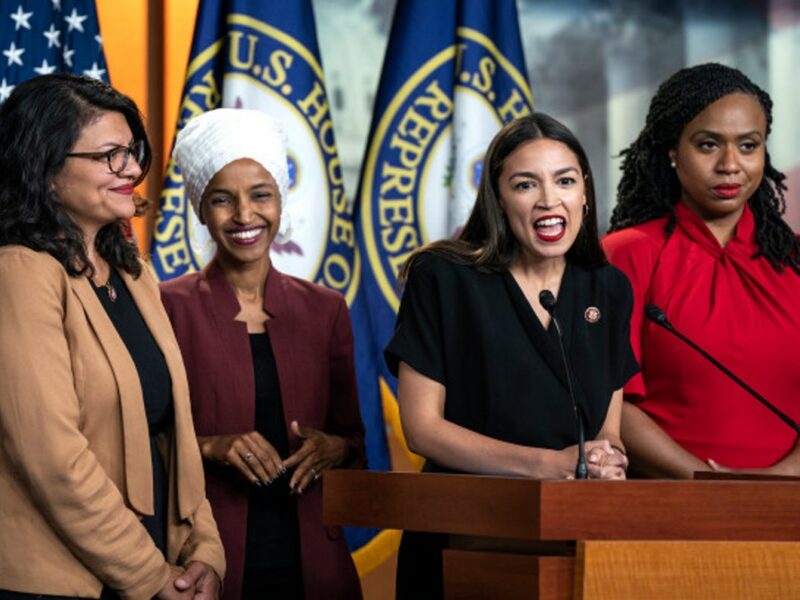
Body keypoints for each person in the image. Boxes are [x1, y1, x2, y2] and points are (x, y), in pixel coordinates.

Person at [385, 113, 638, 598]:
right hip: (461, 532)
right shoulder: (442, 278)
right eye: (525, 184)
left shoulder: (607, 287)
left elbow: (606, 429)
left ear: (584, 190)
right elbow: (422, 429)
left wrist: (606, 460)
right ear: (498, 198)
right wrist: (551, 465)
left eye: (564, 180)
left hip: (572, 542)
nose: (549, 200)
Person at [0, 74, 225, 599]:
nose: (131, 169)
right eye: (110, 155)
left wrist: (205, 555)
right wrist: (149, 576)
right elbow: (53, 460)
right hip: (58, 584)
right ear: (45, 164)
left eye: (133, 151)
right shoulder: (19, 273)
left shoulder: (135, 275)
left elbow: (175, 437)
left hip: (155, 568)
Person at [161, 108, 366, 599]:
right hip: (209, 559)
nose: (245, 215)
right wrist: (211, 446)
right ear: (200, 210)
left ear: (280, 200)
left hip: (315, 558)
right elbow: (141, 442)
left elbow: (354, 440)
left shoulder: (327, 309)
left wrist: (334, 448)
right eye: (222, 200)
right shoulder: (165, 307)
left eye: (260, 195)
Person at [603, 63, 800, 479]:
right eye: (709, 145)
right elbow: (612, 405)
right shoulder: (625, 256)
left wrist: (780, 479)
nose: (731, 164)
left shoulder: (794, 260)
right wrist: (706, 484)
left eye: (748, 145)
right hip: (669, 506)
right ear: (673, 151)